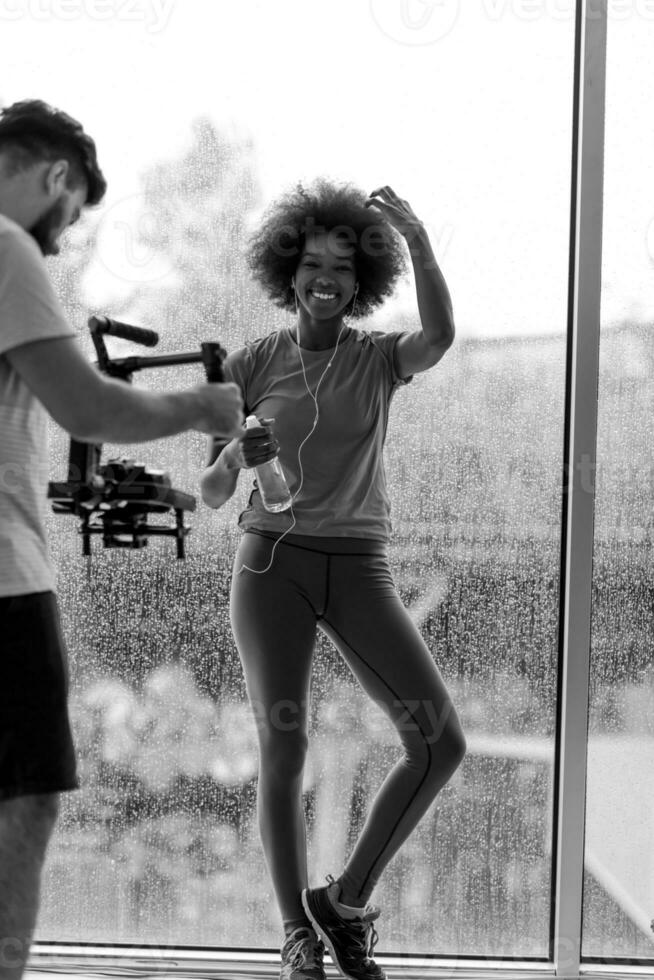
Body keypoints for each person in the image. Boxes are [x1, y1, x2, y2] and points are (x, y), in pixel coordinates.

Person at [0, 99, 243, 980]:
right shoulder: (6, 243)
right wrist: (198, 407)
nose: (61, 241)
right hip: (3, 583)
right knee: (25, 799)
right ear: (55, 175)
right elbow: (89, 405)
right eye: (67, 217)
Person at [201, 179, 466, 980]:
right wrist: (230, 458)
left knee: (437, 742)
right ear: (290, 272)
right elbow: (211, 492)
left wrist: (420, 244)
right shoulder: (250, 364)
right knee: (284, 749)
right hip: (269, 563)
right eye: (313, 262)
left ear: (362, 283)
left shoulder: (379, 358)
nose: (327, 277)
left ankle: (343, 901)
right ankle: (296, 933)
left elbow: (442, 336)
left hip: (358, 564)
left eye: (344, 268)